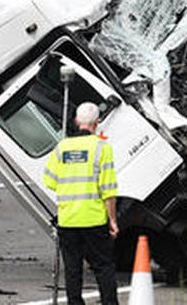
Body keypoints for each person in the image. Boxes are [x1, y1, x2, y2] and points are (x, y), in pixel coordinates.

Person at [43, 102, 119, 305]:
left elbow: (49, 180)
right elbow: (108, 189)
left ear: (77, 122)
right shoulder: (102, 148)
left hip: (68, 220)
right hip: (94, 219)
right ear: (97, 123)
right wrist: (112, 220)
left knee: (72, 268)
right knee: (103, 267)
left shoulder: (62, 147)